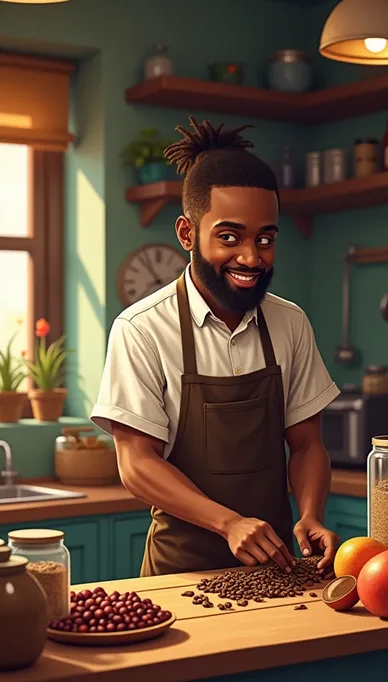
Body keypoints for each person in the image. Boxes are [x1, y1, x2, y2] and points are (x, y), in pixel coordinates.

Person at [90, 116, 340, 577]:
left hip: (277, 568)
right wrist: (228, 523)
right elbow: (136, 464)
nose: (251, 257)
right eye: (230, 237)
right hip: (177, 571)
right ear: (187, 233)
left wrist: (310, 514)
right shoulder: (141, 329)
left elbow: (307, 445)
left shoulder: (290, 323)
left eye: (265, 239)